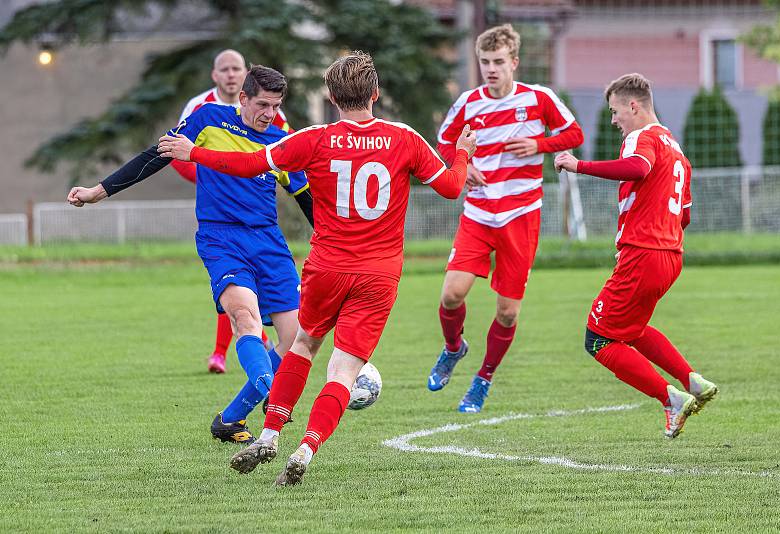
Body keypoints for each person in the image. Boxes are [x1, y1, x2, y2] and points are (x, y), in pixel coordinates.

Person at [158, 51, 477, 485]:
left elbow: (249, 163)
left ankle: (269, 435)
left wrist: (194, 151)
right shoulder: (403, 138)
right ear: (376, 93)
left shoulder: (314, 138)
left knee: (303, 346)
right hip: (378, 275)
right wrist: (461, 154)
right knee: (344, 372)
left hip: (326, 267)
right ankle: (306, 448)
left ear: (330, 96)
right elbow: (452, 187)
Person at [67, 66, 314, 445]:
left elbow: (309, 202)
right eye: (263, 104)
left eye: (276, 105)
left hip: (270, 243)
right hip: (222, 239)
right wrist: (99, 191)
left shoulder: (282, 142)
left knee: (296, 336)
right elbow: (155, 155)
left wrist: (344, 243)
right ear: (243, 99)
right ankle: (274, 396)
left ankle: (231, 418)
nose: (269, 113)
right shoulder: (209, 119)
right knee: (245, 318)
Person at [428, 24, 584, 413]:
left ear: (514, 62)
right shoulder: (468, 102)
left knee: (508, 311)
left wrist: (539, 144)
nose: (491, 69)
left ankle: (482, 380)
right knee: (450, 294)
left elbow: (574, 133)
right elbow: (444, 142)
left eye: (499, 61)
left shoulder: (538, 98)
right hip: (479, 212)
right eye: (485, 62)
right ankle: (453, 348)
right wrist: (461, 164)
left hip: (521, 216)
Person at [554, 73, 718, 439]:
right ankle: (693, 380)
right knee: (632, 329)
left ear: (633, 105)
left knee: (597, 338)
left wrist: (578, 165)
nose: (613, 120)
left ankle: (671, 399)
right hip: (670, 255)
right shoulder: (675, 149)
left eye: (614, 112)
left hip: (644, 253)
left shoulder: (640, 138)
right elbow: (685, 214)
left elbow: (638, 168)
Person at [171, 49, 291, 374]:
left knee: (292, 333)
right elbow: (174, 152)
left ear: (243, 73)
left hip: (264, 230)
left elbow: (286, 162)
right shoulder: (202, 109)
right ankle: (222, 354)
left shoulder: (273, 117)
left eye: (235, 67)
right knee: (239, 304)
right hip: (220, 222)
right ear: (216, 76)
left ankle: (261, 381)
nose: (230, 73)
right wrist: (211, 177)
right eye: (224, 69)